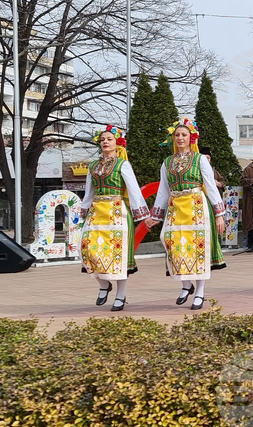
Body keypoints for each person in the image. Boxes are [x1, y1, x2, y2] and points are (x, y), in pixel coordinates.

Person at [145, 117, 226, 310]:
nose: (180, 138)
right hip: (175, 208)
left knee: (198, 248)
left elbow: (211, 187)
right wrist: (155, 215)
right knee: (172, 243)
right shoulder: (167, 162)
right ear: (173, 138)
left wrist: (219, 213)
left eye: (184, 135)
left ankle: (199, 291)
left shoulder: (199, 160)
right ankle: (186, 284)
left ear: (192, 138)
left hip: (196, 205)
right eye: (177, 135)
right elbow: (164, 191)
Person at [79, 124, 149, 311]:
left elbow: (133, 190)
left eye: (109, 139)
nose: (105, 142)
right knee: (86, 247)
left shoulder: (122, 164)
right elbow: (89, 190)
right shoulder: (93, 165)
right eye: (102, 140)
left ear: (117, 142)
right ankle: (103, 285)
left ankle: (120, 295)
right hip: (96, 211)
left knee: (118, 255)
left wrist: (142, 215)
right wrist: (84, 207)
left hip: (116, 211)